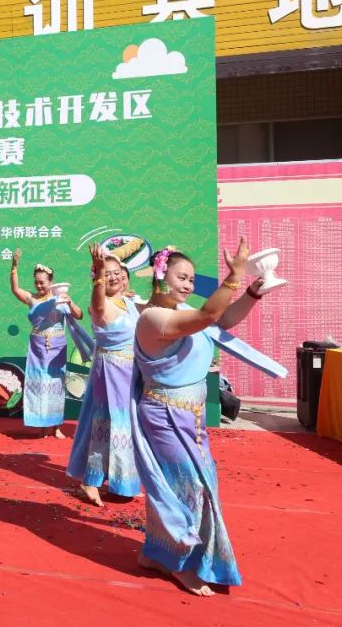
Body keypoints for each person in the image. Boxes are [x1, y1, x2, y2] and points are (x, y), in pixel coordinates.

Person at [132, 238, 261, 597]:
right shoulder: (153, 317)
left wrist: (253, 291)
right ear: (161, 278)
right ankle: (182, 563)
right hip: (164, 415)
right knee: (187, 486)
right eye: (182, 277)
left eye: (191, 279)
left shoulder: (182, 312)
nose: (188, 284)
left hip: (191, 417)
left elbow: (222, 319)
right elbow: (208, 316)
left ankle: (156, 554)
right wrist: (233, 278)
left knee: (194, 484)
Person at [66, 244, 141, 506]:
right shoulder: (100, 305)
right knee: (107, 425)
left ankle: (121, 480)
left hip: (130, 374)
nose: (113, 277)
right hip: (110, 373)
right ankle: (91, 480)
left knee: (125, 426)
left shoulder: (129, 303)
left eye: (116, 272)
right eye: (106, 273)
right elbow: (98, 303)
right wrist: (99, 275)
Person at [9, 250, 84, 438]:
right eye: (36, 282)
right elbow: (16, 289)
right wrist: (14, 266)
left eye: (42, 282)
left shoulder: (60, 298)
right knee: (39, 385)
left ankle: (56, 426)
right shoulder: (32, 299)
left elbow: (79, 315)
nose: (39, 285)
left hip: (57, 348)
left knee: (56, 385)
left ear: (51, 282)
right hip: (37, 348)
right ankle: (42, 426)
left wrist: (70, 302)